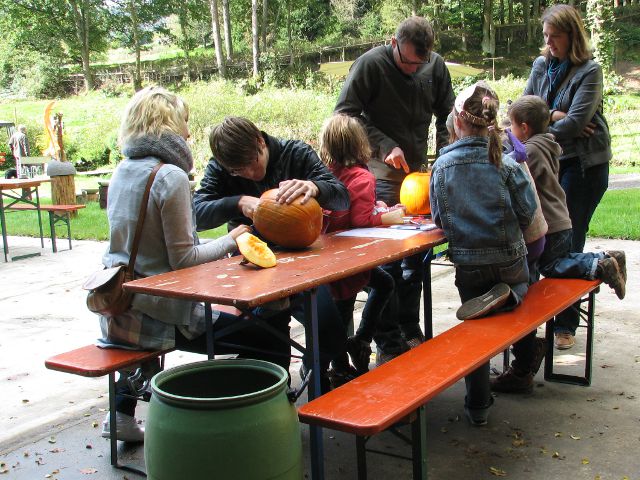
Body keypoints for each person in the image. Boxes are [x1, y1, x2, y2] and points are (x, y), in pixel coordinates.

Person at [97, 88, 290, 443]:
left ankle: (121, 412)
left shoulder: (123, 170)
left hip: (119, 305)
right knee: (271, 338)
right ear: (168, 124)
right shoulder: (169, 177)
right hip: (163, 313)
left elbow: (153, 248)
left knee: (245, 326)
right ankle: (238, 422)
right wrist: (233, 239)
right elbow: (184, 261)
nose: (188, 133)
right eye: (184, 123)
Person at [193, 116, 351, 391]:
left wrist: (315, 187)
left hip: (303, 262)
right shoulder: (222, 168)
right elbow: (195, 213)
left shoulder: (295, 153)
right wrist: (237, 202)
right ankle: (278, 397)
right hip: (254, 265)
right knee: (271, 341)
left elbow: (342, 196)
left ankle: (313, 369)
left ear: (260, 141)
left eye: (252, 164)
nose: (250, 174)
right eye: (238, 172)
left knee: (329, 334)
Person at [334, 16, 455, 352]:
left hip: (418, 176)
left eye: (420, 63)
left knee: (415, 259)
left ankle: (408, 326)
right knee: (387, 262)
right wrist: (384, 145)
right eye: (407, 62)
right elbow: (344, 114)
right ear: (393, 43)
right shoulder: (370, 66)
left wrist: (446, 156)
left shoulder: (435, 67)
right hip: (380, 178)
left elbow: (448, 114)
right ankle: (386, 339)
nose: (412, 70)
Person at [491, 95, 626, 393]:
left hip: (548, 224)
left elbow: (513, 165)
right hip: (559, 220)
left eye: (512, 126)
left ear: (523, 128)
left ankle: (598, 263)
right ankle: (603, 258)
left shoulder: (533, 150)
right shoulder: (547, 142)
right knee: (551, 266)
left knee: (551, 266)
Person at [429, 82, 538, 425]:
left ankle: (478, 407)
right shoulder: (505, 164)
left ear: (457, 121)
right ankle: (512, 297)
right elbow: (527, 212)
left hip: (469, 263)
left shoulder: (441, 167)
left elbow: (438, 218)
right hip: (508, 259)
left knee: (474, 333)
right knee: (525, 281)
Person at [523, 4, 613, 349]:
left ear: (571, 35)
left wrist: (546, 120)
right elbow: (524, 110)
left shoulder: (591, 71)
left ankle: (566, 325)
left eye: (554, 36)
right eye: (545, 36)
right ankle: (545, 315)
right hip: (554, 163)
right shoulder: (541, 65)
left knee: (570, 241)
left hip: (585, 166)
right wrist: (557, 113)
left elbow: (576, 124)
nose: (549, 42)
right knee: (546, 242)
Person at [318, 114, 408, 378]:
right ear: (360, 144)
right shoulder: (362, 177)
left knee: (382, 283)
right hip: (349, 261)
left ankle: (356, 344)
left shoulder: (323, 174)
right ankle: (339, 366)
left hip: (325, 255)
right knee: (342, 313)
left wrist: (375, 207)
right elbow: (360, 221)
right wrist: (389, 216)